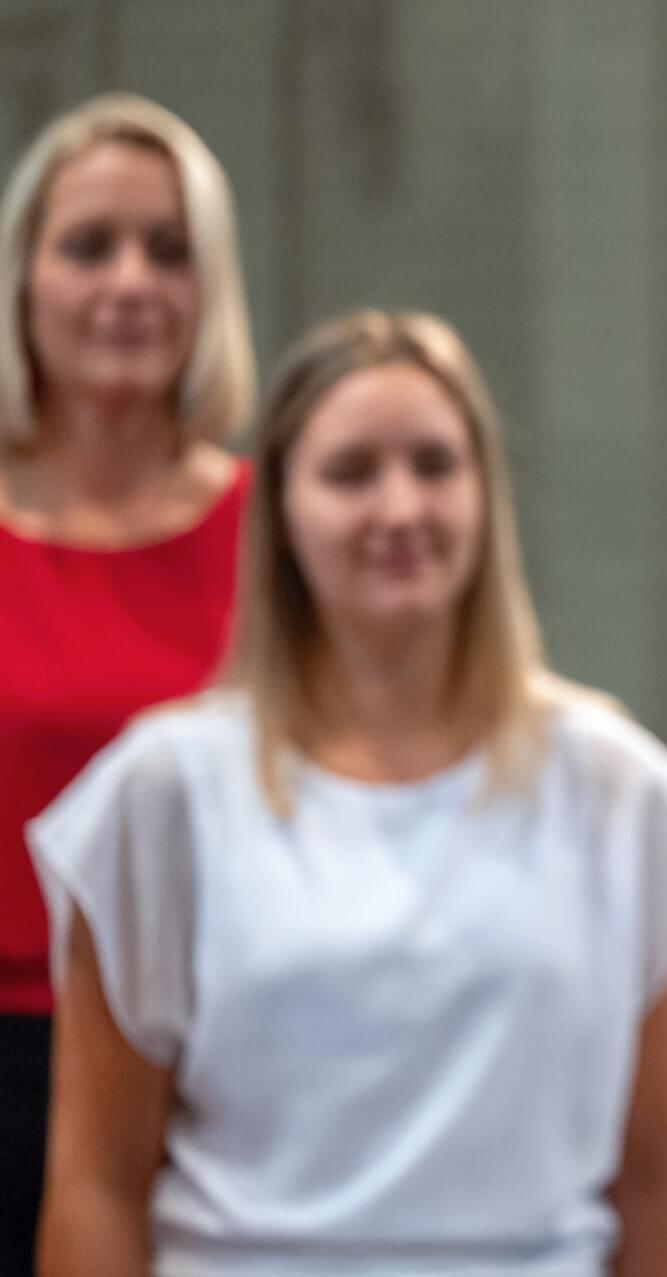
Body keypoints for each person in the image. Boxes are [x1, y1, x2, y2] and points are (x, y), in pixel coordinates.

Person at [30, 310, 667, 1276]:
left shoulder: (621, 794)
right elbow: (99, 1184)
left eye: (435, 465)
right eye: (352, 472)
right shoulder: (160, 794)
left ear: (486, 494)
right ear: (280, 511)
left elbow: (666, 1182)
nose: (400, 508)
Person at [0, 92, 255, 1270]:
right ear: (23, 277)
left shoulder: (283, 533)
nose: (131, 282)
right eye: (89, 245)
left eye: (169, 249)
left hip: (222, 1068)